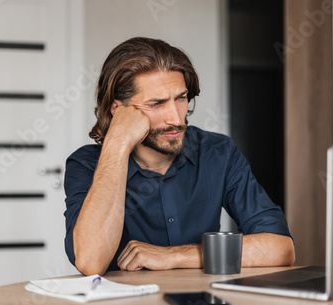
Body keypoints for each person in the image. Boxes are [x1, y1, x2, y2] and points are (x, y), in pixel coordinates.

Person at [64, 37, 295, 275]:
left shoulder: (217, 152)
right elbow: (90, 262)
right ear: (119, 110)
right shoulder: (86, 165)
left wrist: (174, 255)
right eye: (157, 104)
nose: (176, 119)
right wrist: (118, 144)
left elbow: (280, 248)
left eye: (181, 98)